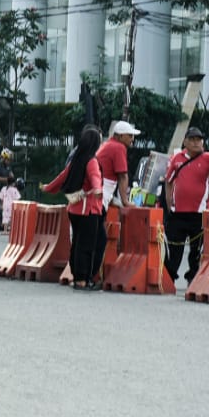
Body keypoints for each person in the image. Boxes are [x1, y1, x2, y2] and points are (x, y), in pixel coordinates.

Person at [42, 126, 106, 290]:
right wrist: (98, 189)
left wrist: (48, 187)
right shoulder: (91, 161)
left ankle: (77, 276)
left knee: (77, 244)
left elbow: (61, 178)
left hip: (74, 209)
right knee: (86, 246)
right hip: (89, 209)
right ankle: (82, 280)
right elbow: (95, 177)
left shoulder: (76, 159)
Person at [163, 127, 209, 286]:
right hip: (178, 212)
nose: (197, 142)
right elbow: (168, 181)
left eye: (200, 139)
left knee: (197, 249)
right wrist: (169, 202)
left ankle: (193, 279)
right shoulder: (177, 158)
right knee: (174, 247)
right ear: (185, 141)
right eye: (193, 139)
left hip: (199, 213)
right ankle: (169, 279)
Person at [95, 121, 140, 285]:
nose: (132, 139)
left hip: (98, 193)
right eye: (130, 136)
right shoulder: (118, 148)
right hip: (102, 195)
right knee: (99, 239)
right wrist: (126, 201)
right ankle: (91, 276)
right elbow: (122, 175)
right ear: (120, 136)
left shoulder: (108, 145)